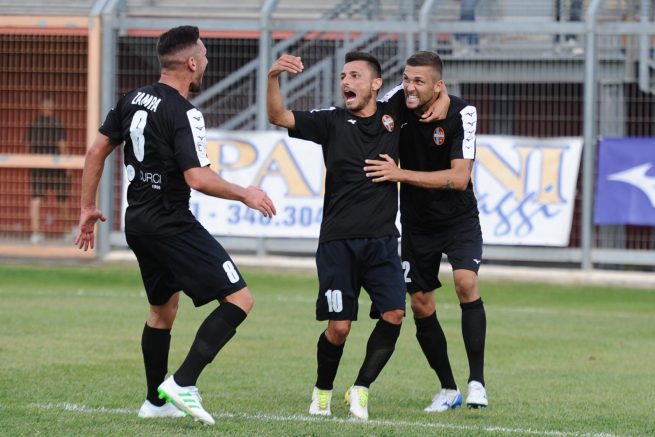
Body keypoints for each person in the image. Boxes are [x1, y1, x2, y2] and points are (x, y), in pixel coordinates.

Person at [75, 25, 276, 426]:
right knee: (240, 299)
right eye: (204, 55)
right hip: (170, 222)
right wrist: (245, 193)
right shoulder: (185, 112)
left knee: (162, 311)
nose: (206, 60)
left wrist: (87, 207)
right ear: (191, 63)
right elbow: (197, 178)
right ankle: (183, 382)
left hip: (138, 221)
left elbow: (97, 150)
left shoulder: (132, 98)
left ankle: (154, 402)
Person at [267, 51, 449, 421]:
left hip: (383, 241)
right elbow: (278, 116)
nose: (346, 82)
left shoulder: (393, 113)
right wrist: (272, 77)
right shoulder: (330, 121)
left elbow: (425, 86)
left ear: (376, 84)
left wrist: (444, 97)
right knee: (339, 328)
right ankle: (322, 391)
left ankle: (361, 388)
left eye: (354, 76)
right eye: (343, 76)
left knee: (394, 313)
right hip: (338, 241)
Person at [364, 51, 488, 412]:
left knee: (465, 282)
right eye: (406, 78)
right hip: (417, 223)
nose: (410, 87)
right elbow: (374, 101)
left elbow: (459, 178)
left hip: (458, 218)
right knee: (420, 303)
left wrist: (400, 174)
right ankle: (448, 388)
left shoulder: (463, 113)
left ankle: (477, 382)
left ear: (439, 86)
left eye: (419, 81)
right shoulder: (399, 103)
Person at [27, 96, 71, 244]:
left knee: (36, 198)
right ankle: (67, 232)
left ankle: (35, 233)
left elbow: (29, 146)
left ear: (41, 107)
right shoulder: (56, 124)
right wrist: (67, 166)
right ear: (52, 108)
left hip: (37, 166)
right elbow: (62, 146)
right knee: (62, 198)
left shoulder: (33, 124)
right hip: (56, 166)